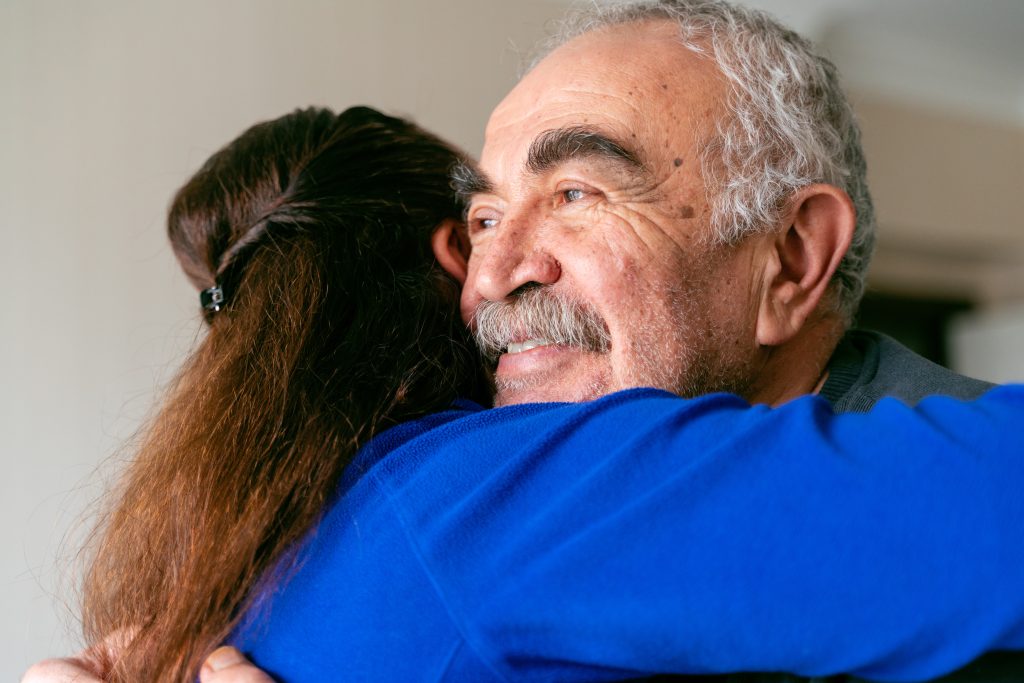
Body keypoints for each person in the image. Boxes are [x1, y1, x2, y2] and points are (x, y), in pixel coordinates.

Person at [22, 103, 1024, 683]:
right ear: (457, 250)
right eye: (492, 213)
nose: (516, 258)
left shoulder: (242, 567)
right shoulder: (476, 497)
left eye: (576, 193)